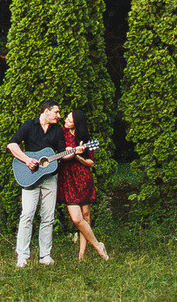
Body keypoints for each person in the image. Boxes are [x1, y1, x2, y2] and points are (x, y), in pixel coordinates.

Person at [5, 99, 64, 267]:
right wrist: (27, 160)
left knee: (48, 217)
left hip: (50, 178)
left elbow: (62, 154)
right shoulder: (29, 126)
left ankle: (45, 255)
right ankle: (22, 256)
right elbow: (12, 144)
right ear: (46, 111)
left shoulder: (57, 131)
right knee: (27, 214)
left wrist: (75, 152)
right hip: (30, 176)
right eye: (56, 112)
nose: (59, 116)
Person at [57, 108, 109, 262]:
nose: (66, 120)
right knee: (76, 219)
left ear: (77, 123)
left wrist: (79, 157)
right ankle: (99, 246)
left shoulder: (84, 138)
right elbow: (58, 151)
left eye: (69, 119)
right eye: (66, 118)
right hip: (67, 178)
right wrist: (68, 152)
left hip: (83, 177)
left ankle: (82, 256)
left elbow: (91, 163)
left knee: (85, 216)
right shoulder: (60, 133)